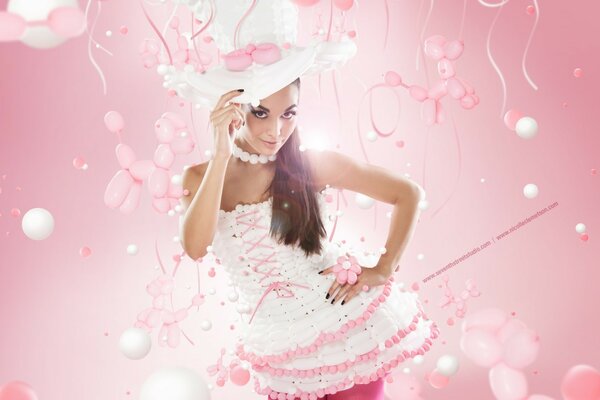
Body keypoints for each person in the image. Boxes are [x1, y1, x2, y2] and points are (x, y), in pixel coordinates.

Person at [179, 79, 439, 399]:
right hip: (277, 338)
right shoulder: (197, 177)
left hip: (342, 321)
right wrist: (221, 154)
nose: (276, 130)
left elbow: (407, 193)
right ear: (233, 109)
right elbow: (195, 247)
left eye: (289, 113)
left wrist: (384, 268)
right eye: (261, 113)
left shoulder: (311, 164)